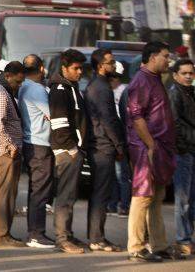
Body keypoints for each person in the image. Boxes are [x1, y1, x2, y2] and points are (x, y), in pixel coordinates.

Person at [127, 41, 180, 261]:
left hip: (159, 148)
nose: (168, 60)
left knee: (156, 197)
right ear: (152, 57)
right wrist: (150, 145)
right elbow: (136, 117)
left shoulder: (155, 79)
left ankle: (158, 246)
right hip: (145, 148)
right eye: (165, 56)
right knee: (142, 197)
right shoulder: (141, 81)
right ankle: (136, 248)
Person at [84, 49, 125, 252]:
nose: (113, 65)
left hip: (100, 145)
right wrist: (119, 145)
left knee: (100, 193)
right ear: (101, 65)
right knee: (101, 194)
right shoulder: (100, 88)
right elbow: (108, 120)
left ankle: (96, 237)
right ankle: (96, 238)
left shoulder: (98, 85)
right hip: (102, 146)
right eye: (110, 62)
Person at [48, 48, 87, 254]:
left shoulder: (72, 86)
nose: (79, 72)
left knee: (70, 196)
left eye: (81, 68)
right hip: (66, 151)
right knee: (64, 197)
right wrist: (71, 148)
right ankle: (62, 239)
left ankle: (68, 234)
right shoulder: (60, 90)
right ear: (64, 68)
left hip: (73, 149)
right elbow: (59, 122)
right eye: (75, 68)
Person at [0, 61, 25, 248]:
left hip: (3, 151)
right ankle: (2, 236)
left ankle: (3, 234)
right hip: (6, 152)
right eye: (17, 82)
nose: (19, 86)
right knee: (5, 195)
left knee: (5, 193)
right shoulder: (1, 94)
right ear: (8, 75)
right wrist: (10, 145)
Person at [18, 54, 55, 249]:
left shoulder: (24, 86)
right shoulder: (38, 89)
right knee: (40, 192)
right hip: (40, 144)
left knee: (36, 190)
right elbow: (52, 116)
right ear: (41, 69)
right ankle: (36, 235)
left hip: (31, 143)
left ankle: (35, 232)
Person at [170, 58, 195, 255]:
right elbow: (175, 125)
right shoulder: (174, 94)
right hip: (183, 153)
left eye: (191, 73)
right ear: (175, 75)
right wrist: (183, 148)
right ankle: (182, 239)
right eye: (184, 73)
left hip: (191, 151)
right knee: (183, 200)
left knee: (190, 199)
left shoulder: (190, 93)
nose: (188, 76)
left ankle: (188, 238)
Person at [108, 61, 132, 217]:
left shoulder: (125, 92)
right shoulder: (105, 91)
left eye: (115, 77)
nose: (113, 80)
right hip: (110, 138)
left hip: (122, 138)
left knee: (122, 175)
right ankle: (112, 204)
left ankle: (124, 205)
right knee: (112, 175)